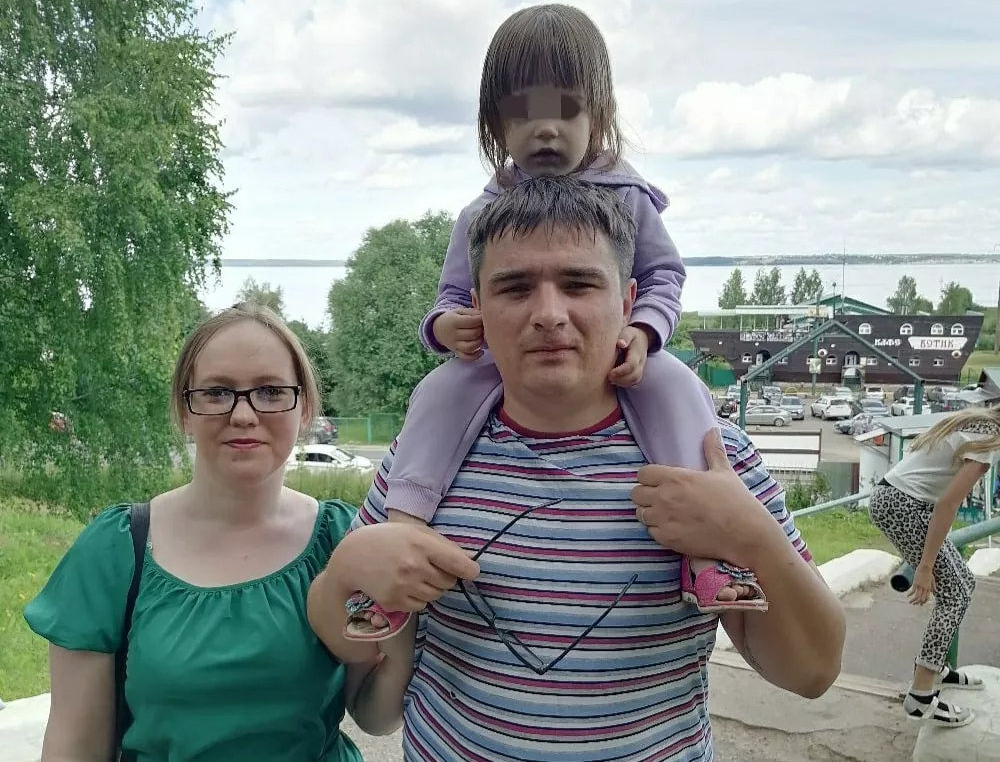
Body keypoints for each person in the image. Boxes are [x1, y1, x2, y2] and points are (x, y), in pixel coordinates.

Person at [309, 177, 847, 761]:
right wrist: (344, 577)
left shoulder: (709, 460)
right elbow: (370, 699)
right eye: (515, 288)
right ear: (478, 307)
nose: (548, 314)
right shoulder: (423, 462)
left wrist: (752, 536)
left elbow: (812, 672)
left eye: (579, 283)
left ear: (627, 303)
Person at [344, 3, 764, 643]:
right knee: (436, 392)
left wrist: (644, 331)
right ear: (495, 124)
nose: (545, 129)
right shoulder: (481, 212)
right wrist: (446, 328)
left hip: (618, 352)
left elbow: (663, 276)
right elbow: (451, 296)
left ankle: (706, 554)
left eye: (565, 110)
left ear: (599, 115)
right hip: (500, 360)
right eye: (523, 113)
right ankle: (401, 535)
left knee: (678, 387)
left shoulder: (628, 197)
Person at [22, 304, 411, 761]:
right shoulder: (117, 549)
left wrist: (406, 629)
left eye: (270, 391)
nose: (243, 414)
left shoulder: (343, 539)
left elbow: (373, 715)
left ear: (304, 408)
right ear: (185, 411)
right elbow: (74, 745)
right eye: (217, 392)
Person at [868, 405, 1000, 728]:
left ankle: (934, 664)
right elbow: (948, 503)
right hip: (905, 506)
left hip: (895, 498)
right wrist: (925, 567)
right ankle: (921, 695)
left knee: (964, 581)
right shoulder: (988, 441)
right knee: (954, 595)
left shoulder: (977, 421)